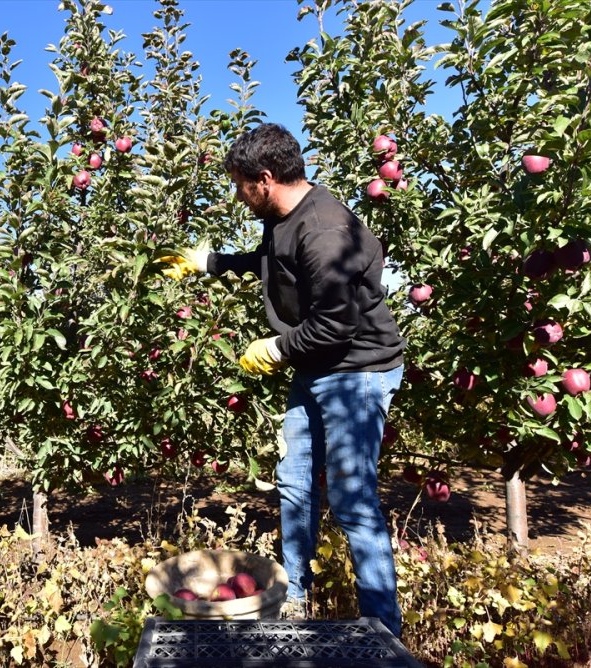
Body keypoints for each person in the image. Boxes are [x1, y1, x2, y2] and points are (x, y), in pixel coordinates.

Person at [160, 123, 406, 636]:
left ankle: (383, 629)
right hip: (316, 368)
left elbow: (336, 324)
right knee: (294, 484)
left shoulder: (324, 229)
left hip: (356, 374)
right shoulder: (285, 216)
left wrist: (276, 346)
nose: (237, 195)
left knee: (352, 499)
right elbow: (276, 264)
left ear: (264, 179)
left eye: (239, 185)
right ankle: (295, 598)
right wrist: (213, 262)